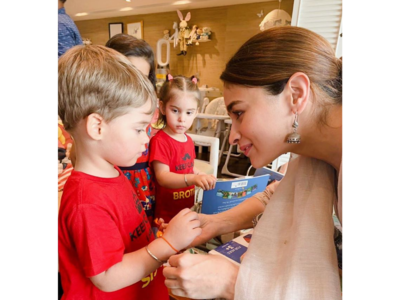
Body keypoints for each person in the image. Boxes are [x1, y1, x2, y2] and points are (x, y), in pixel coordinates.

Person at [163, 26, 342, 300]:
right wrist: (216, 223)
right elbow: (274, 196)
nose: (233, 136)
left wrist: (232, 283)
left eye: (239, 113)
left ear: (296, 94)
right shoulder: (312, 153)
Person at [58, 44, 202, 299]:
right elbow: (107, 277)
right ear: (97, 127)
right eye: (138, 129)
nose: (146, 140)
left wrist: (152, 234)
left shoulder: (113, 173)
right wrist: (168, 244)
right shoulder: (86, 203)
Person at [105, 33, 159, 226]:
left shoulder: (151, 106)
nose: (137, 86)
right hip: (114, 178)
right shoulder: (102, 111)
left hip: (145, 180)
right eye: (129, 76)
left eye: (143, 78)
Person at [149, 75, 217, 223]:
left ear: (196, 112)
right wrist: (193, 178)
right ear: (162, 107)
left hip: (186, 209)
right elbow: (163, 177)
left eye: (189, 112)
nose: (182, 119)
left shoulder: (188, 140)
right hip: (166, 215)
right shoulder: (160, 141)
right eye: (175, 111)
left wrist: (201, 175)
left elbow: (188, 168)